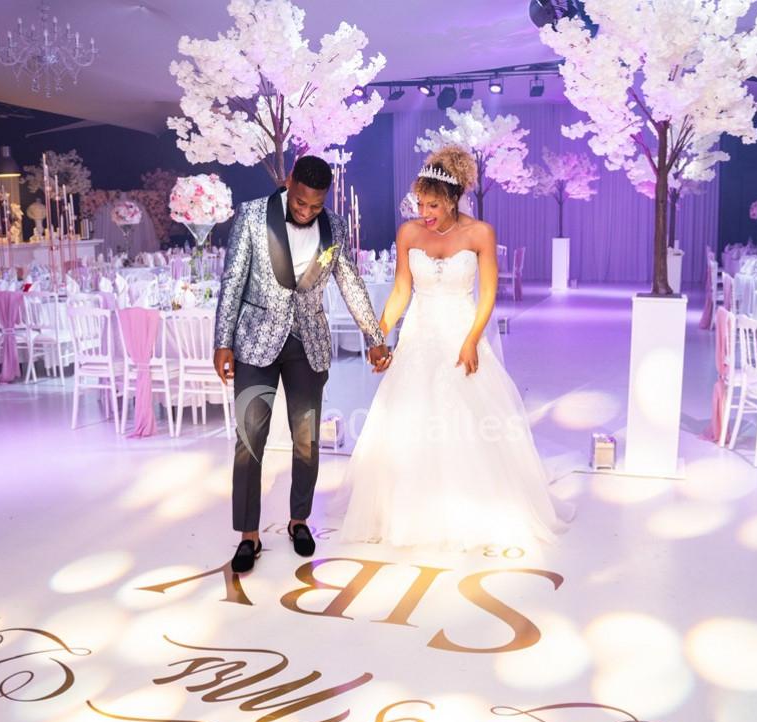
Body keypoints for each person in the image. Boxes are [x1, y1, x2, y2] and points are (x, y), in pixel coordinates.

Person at [338, 145, 572, 549]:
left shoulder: (479, 233)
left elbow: (487, 296)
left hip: (462, 334)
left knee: (470, 425)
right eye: (420, 203)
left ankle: (470, 511)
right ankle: (408, 512)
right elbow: (400, 291)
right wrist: (379, 335)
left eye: (432, 204)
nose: (423, 212)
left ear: (452, 199)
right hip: (418, 335)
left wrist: (471, 340)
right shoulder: (409, 233)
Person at [213, 155, 391, 573]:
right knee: (249, 440)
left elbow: (350, 281)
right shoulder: (253, 216)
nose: (308, 212)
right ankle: (249, 535)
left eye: (315, 206)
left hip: (307, 344)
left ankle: (299, 520)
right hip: (255, 341)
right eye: (300, 204)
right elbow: (233, 279)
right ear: (289, 182)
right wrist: (222, 341)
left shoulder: (333, 225)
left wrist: (375, 336)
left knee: (307, 439)